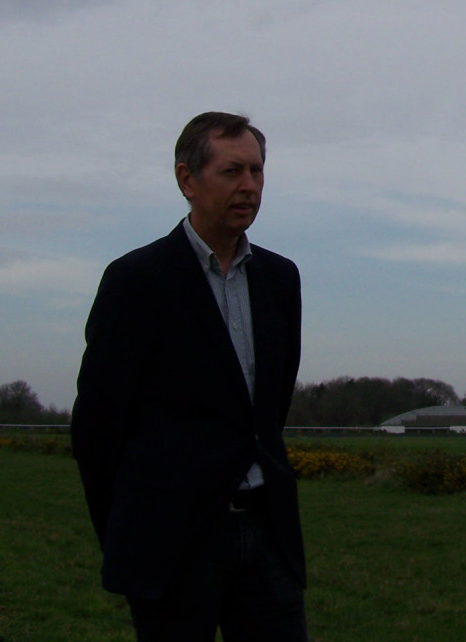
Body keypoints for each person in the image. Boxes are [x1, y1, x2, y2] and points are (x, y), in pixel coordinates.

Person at [72, 112, 307, 641]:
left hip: (267, 536)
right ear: (186, 180)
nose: (249, 186)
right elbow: (98, 427)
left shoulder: (280, 279)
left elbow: (267, 411)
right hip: (173, 545)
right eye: (231, 172)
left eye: (257, 171)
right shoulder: (137, 280)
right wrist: (129, 536)